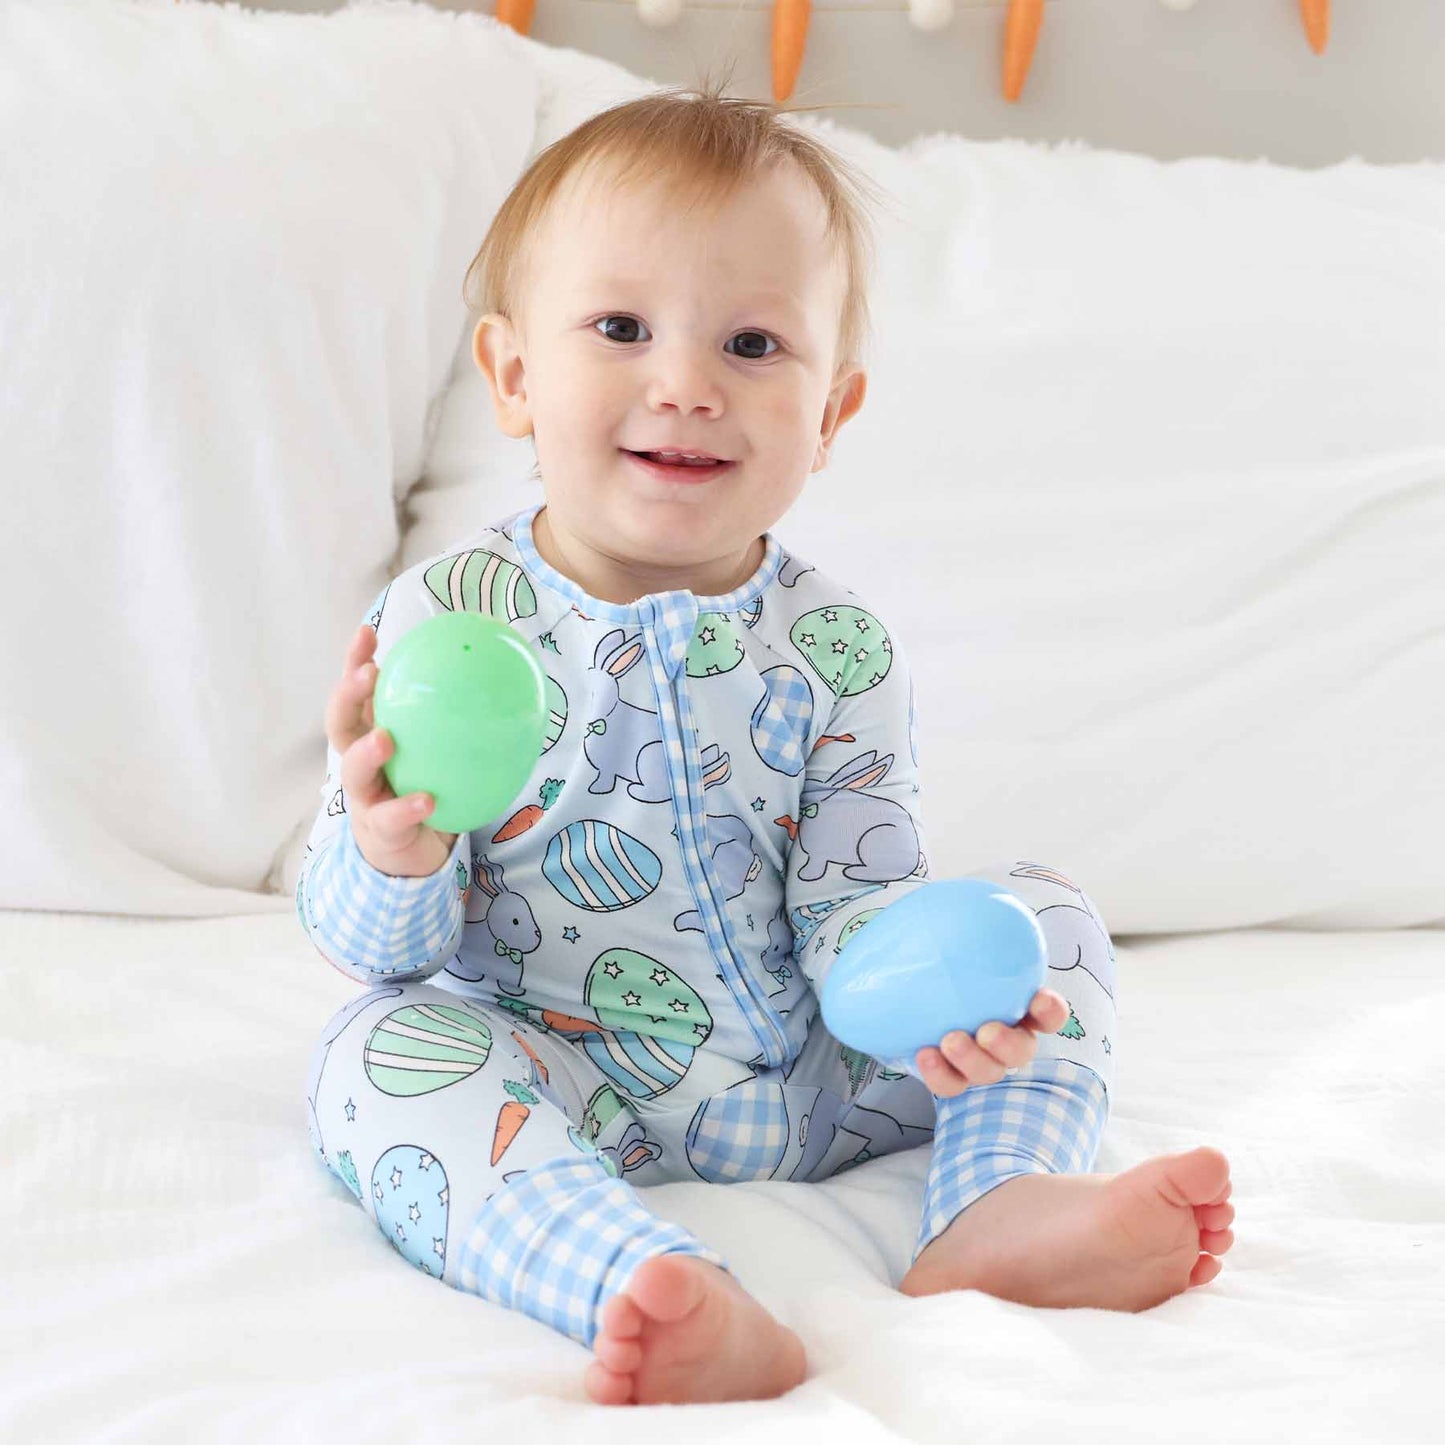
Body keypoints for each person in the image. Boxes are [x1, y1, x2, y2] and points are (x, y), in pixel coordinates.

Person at [299, 76, 1235, 1408]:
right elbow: (372, 950)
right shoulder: (452, 618)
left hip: (816, 1076)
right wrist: (393, 851)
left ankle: (997, 1204)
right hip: (572, 1074)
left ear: (831, 413)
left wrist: (931, 1006)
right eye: (620, 327)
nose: (683, 385)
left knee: (1049, 918)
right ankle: (642, 1278)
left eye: (750, 345)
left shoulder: (834, 646)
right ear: (514, 375)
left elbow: (859, 904)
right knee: (374, 1057)